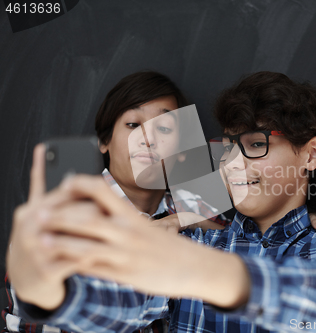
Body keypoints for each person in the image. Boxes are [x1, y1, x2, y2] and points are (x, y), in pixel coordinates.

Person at [5, 71, 316, 333]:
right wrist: (52, 294)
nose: (233, 163)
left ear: (311, 154)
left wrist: (205, 272)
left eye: (256, 144)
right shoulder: (196, 237)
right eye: (227, 147)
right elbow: (126, 301)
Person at [2, 71, 233, 333]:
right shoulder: (59, 221)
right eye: (133, 124)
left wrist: (185, 220)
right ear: (104, 141)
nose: (148, 139)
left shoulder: (197, 213)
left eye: (165, 127)